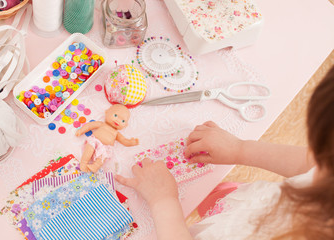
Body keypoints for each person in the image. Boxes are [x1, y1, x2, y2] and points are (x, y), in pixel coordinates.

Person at [115, 66, 334, 240]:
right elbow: (308, 164)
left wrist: (163, 200)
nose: (319, 162)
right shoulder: (325, 172)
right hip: (244, 210)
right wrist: (240, 149)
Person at [75, 104, 139, 173]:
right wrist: (81, 130)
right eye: (115, 115)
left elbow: (124, 141)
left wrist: (131, 143)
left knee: (103, 157)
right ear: (107, 112)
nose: (118, 121)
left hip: (105, 148)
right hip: (95, 141)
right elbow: (90, 125)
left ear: (125, 125)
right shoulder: (102, 124)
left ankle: (95, 166)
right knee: (89, 150)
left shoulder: (116, 133)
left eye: (123, 121)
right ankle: (83, 163)